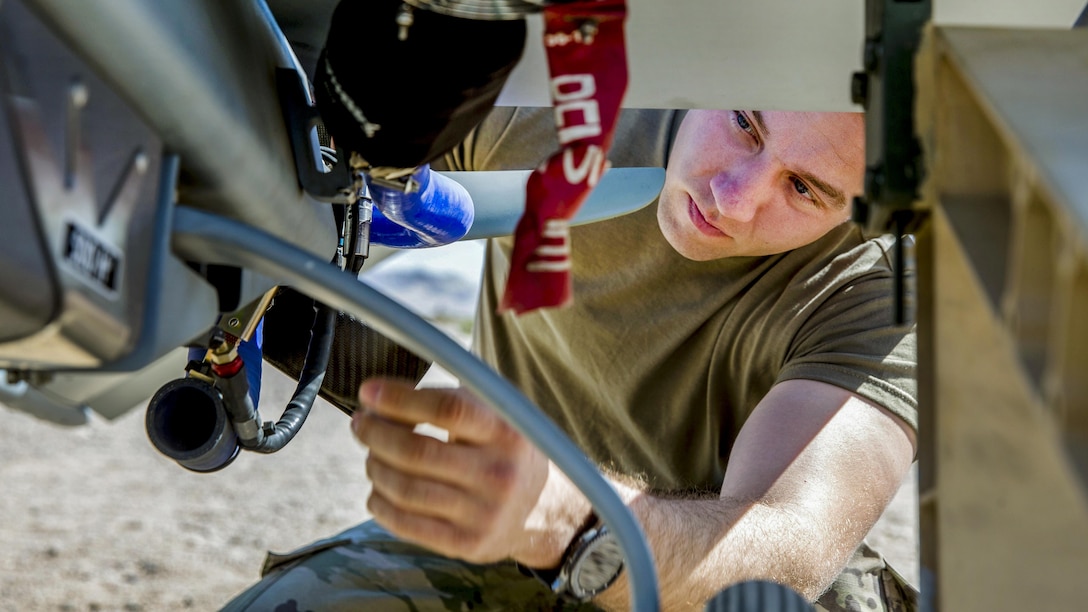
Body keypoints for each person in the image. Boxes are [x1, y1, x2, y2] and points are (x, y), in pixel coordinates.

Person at [221, 106, 917, 611]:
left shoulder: (885, 289)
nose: (732, 200)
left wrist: (570, 521)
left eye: (803, 189)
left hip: (706, 582)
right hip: (505, 534)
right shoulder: (568, 110)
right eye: (744, 123)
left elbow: (788, 549)